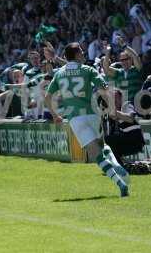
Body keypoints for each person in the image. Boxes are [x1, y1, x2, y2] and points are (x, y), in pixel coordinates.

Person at [45, 42, 130, 197]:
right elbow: (105, 90)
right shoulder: (87, 70)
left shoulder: (59, 74)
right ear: (77, 55)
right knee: (103, 145)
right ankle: (116, 164)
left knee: (96, 155)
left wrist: (55, 114)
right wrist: (112, 108)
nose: (84, 54)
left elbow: (47, 97)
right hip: (92, 114)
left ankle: (120, 183)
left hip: (75, 119)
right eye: (82, 52)